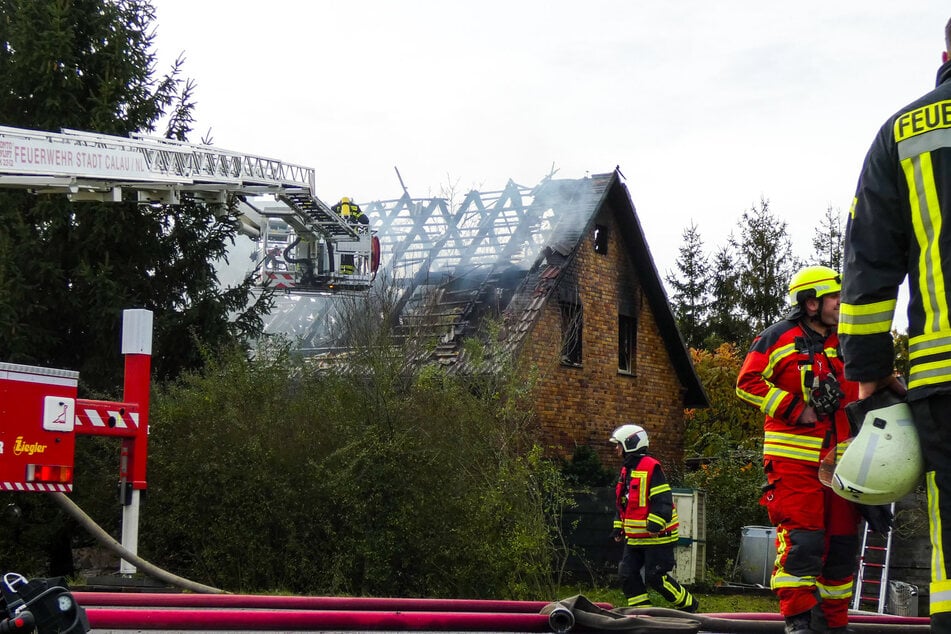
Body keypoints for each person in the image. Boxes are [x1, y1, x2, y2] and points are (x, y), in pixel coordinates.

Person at [840, 17, 951, 633]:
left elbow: (869, 266)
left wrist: (869, 377)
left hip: (945, 381)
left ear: (945, 52)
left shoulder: (904, 135)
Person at [736, 266, 862, 634]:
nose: (842, 302)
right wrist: (795, 407)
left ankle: (835, 625)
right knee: (804, 541)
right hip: (794, 461)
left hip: (842, 461)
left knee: (841, 546)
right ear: (811, 303)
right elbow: (746, 382)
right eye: (834, 297)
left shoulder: (848, 339)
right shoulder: (778, 337)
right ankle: (798, 623)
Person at [609, 424, 699, 613]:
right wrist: (618, 527)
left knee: (655, 577)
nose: (616, 449)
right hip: (634, 538)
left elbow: (663, 501)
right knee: (627, 574)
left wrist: (655, 523)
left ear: (630, 443)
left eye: (618, 445)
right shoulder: (626, 471)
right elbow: (623, 503)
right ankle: (643, 614)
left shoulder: (652, 467)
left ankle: (690, 607)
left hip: (657, 537)